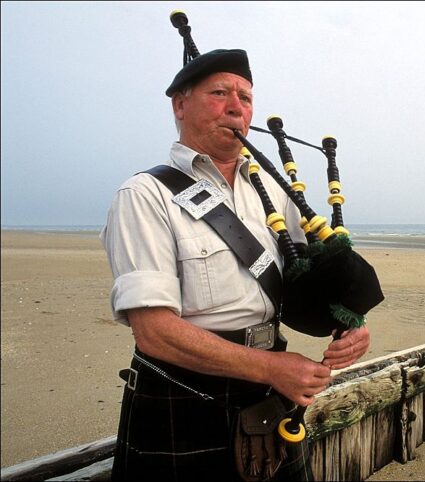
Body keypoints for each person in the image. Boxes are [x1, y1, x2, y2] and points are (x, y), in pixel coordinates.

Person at [100, 45, 370, 481]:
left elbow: (313, 284)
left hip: (269, 391)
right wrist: (271, 368)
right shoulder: (145, 195)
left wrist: (351, 322)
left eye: (245, 99)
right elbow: (153, 332)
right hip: (183, 394)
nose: (235, 108)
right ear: (180, 104)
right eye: (219, 93)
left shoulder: (276, 193)